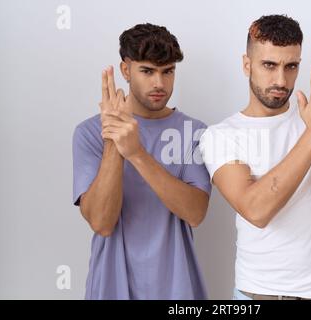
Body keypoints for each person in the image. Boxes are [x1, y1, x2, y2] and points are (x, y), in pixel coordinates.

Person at [199, 14, 311, 300]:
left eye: (291, 66)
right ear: (247, 65)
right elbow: (256, 211)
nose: (281, 80)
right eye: (269, 65)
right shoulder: (221, 135)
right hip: (260, 294)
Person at [72, 23, 211, 299]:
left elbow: (196, 213)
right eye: (147, 71)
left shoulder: (194, 132)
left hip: (178, 291)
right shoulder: (88, 133)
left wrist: (136, 153)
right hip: (110, 287)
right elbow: (101, 222)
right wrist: (113, 140)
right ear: (126, 70)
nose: (159, 83)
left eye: (167, 71)